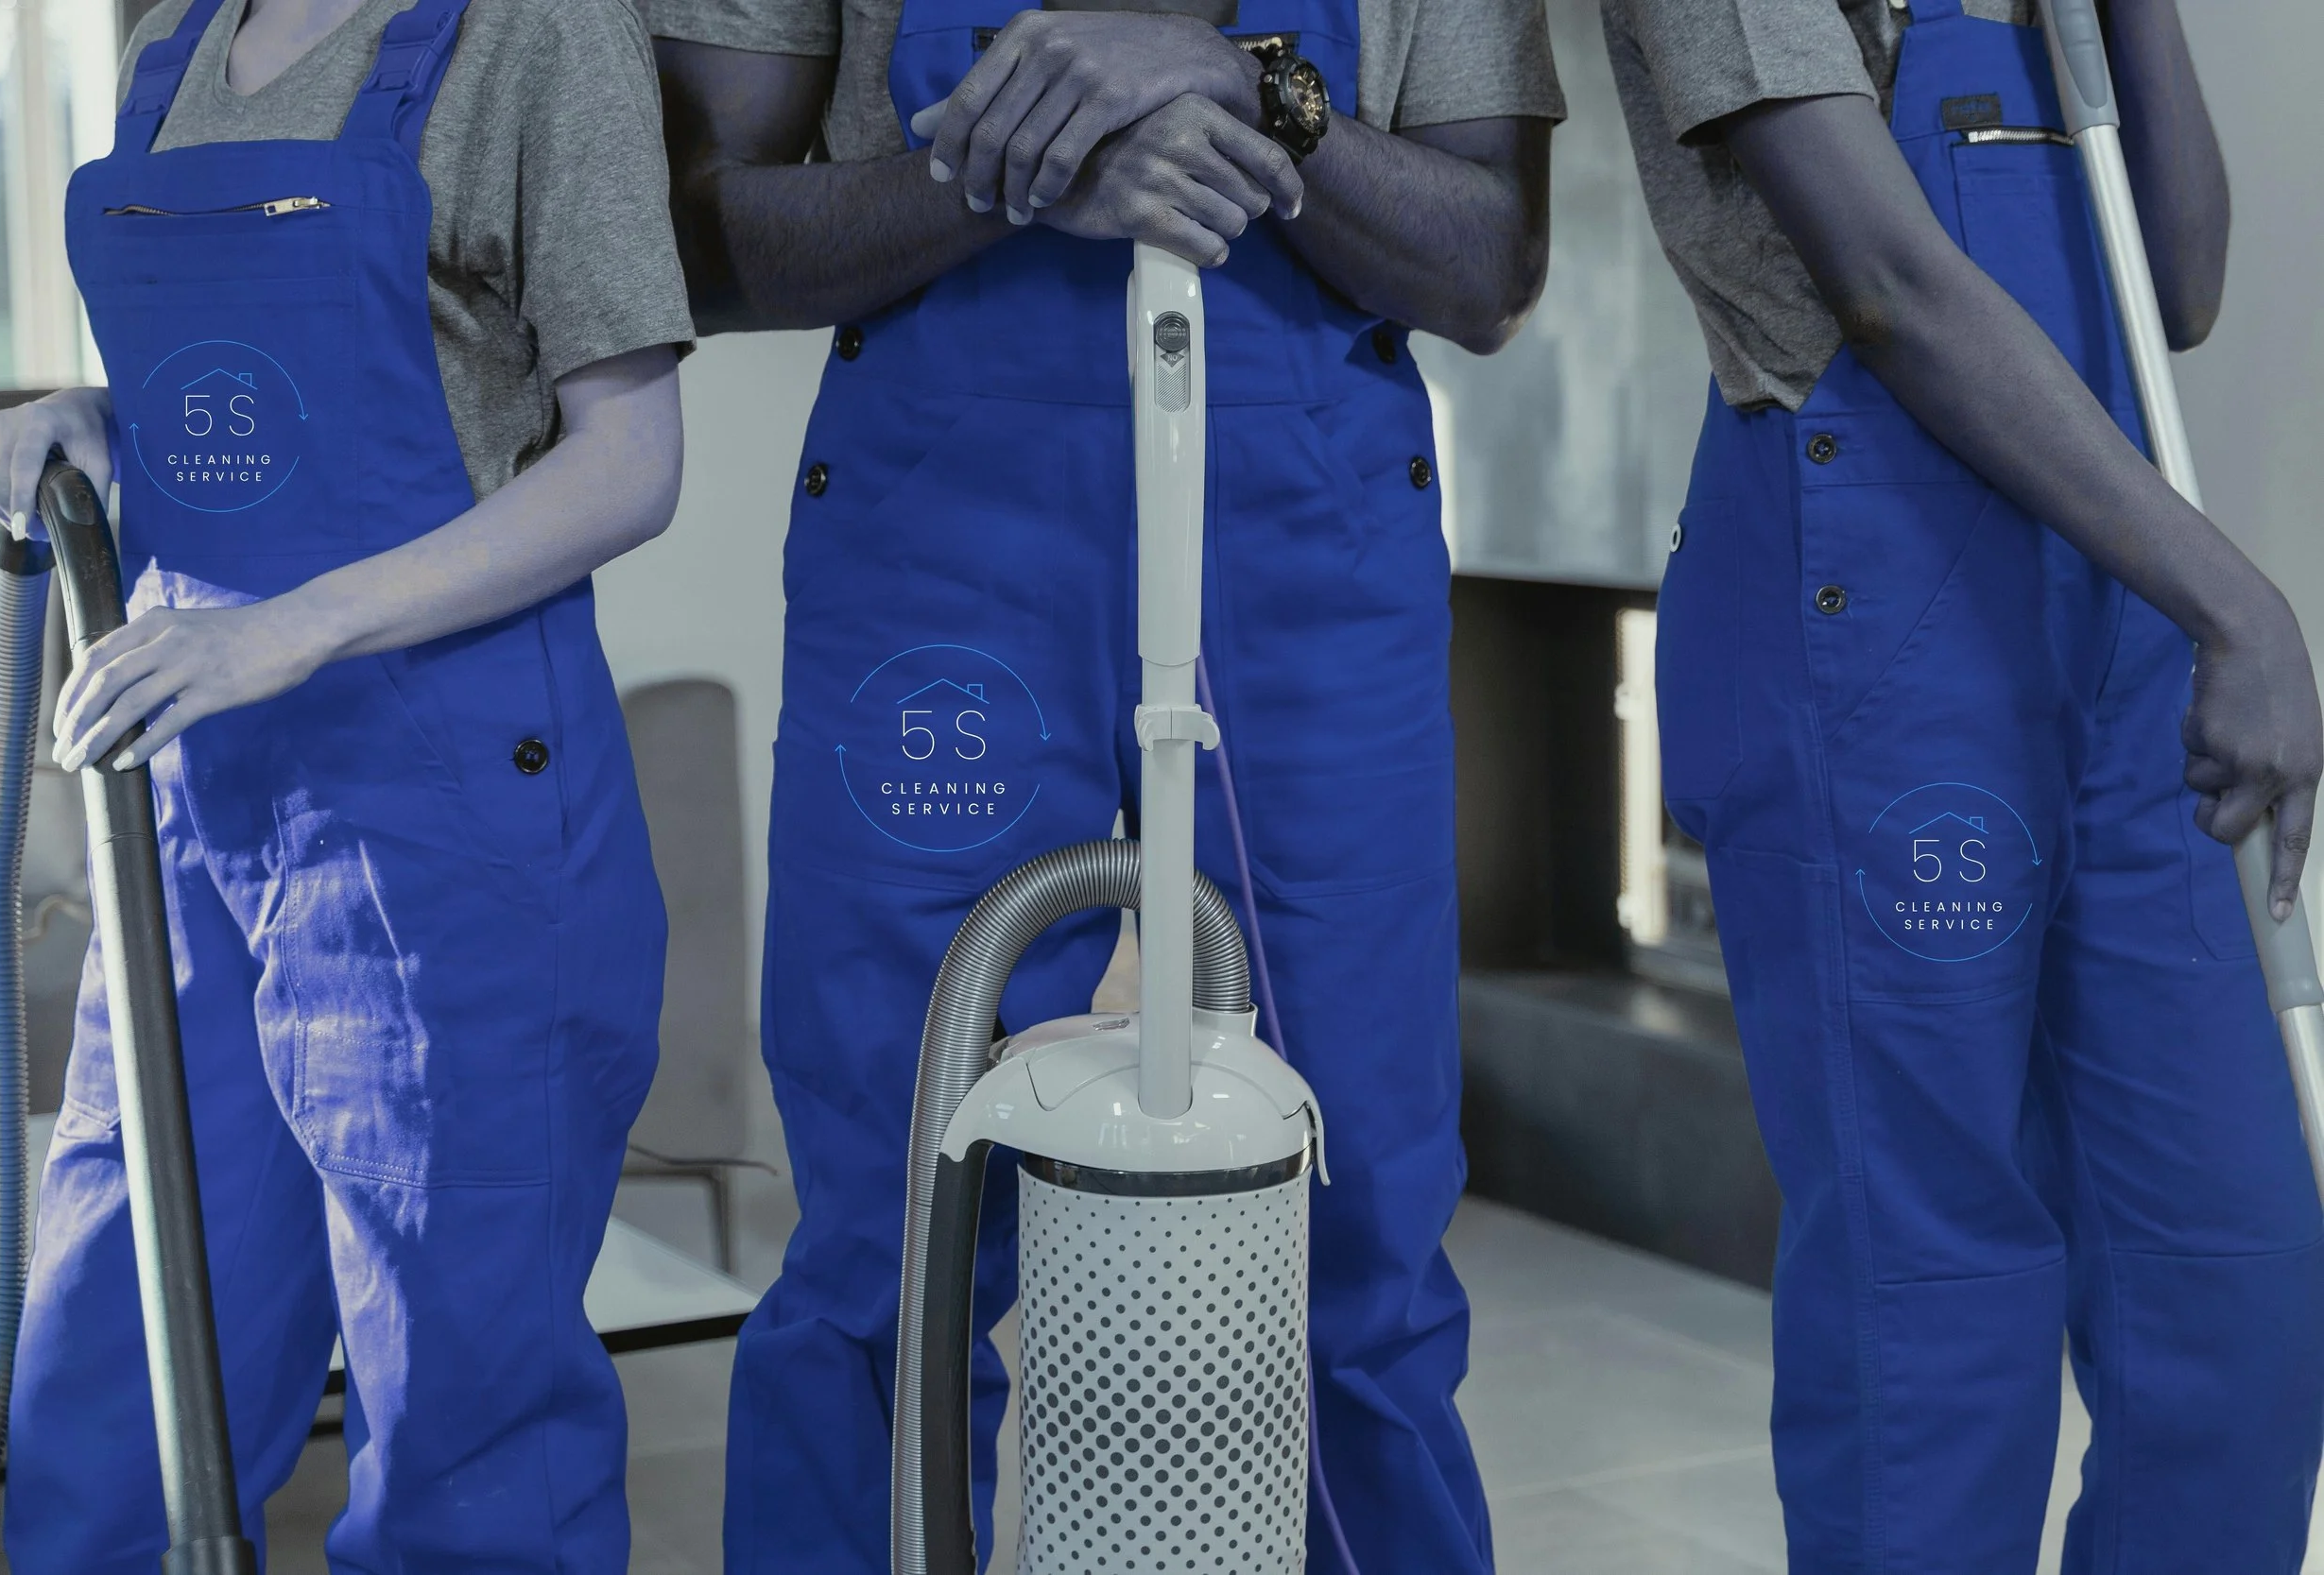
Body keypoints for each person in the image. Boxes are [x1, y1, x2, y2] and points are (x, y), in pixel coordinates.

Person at [648, 1, 1559, 1567]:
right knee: (892, 1224)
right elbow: (697, 240)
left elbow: (1491, 269)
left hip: (1313, 560)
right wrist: (1017, 171)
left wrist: (1246, 86)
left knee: (1360, 1225)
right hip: (944, 554)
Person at [0, 0, 692, 1566]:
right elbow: (239, 403)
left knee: (461, 1425)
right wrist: (101, 416)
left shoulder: (538, 35)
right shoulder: (171, 50)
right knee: (117, 1371)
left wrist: (293, 628)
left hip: (446, 819)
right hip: (194, 807)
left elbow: (631, 460)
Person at [1603, 0, 2324, 1566]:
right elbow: (1887, 282)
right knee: (1931, 1322)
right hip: (1875, 619)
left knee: (2236, 1284)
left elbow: (2179, 284)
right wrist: (2239, 604)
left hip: (2117, 631)